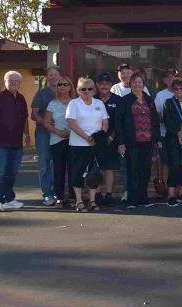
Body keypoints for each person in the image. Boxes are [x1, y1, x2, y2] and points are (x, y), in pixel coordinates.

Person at [0, 71, 31, 213]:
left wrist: (27, 135)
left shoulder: (21, 98)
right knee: (0, 172)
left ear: (20, 83)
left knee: (12, 173)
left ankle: (9, 200)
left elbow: (25, 119)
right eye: (11, 80)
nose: (14, 82)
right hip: (0, 143)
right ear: (5, 81)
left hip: (16, 143)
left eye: (16, 80)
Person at [115, 72, 162, 209]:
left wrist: (158, 139)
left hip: (148, 141)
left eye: (140, 82)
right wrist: (121, 143)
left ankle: (143, 198)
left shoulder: (149, 100)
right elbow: (119, 123)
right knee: (133, 170)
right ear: (131, 84)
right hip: (132, 142)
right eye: (135, 82)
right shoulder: (125, 101)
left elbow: (155, 122)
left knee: (145, 170)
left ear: (143, 84)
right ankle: (133, 199)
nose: (137, 85)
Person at [66, 77, 109, 212]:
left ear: (93, 90)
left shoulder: (99, 103)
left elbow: (105, 122)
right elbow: (72, 123)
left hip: (95, 145)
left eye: (89, 88)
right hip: (79, 144)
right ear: (78, 90)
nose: (86, 91)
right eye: (83, 89)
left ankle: (92, 200)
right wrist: (87, 137)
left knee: (94, 174)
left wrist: (100, 136)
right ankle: (79, 201)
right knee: (78, 172)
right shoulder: (74, 103)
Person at [154, 69, 182, 195]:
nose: (170, 78)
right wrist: (177, 133)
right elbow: (161, 117)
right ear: (165, 81)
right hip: (168, 135)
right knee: (168, 163)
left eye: (173, 76)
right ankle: (167, 190)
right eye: (168, 77)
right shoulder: (162, 97)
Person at [31, 65, 60, 206]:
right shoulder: (41, 94)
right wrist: (47, 124)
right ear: (47, 77)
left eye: (55, 74)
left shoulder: (65, 92)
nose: (53, 77)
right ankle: (48, 194)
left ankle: (58, 192)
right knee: (44, 163)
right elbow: (34, 114)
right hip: (44, 134)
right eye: (50, 75)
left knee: (58, 164)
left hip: (61, 134)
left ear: (59, 76)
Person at [44, 75, 74, 208]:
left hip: (74, 140)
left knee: (74, 170)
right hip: (57, 140)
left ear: (70, 87)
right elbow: (46, 122)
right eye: (60, 84)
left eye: (65, 84)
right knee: (58, 170)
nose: (62, 86)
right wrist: (59, 132)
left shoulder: (76, 102)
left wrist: (71, 133)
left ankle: (74, 198)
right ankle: (60, 198)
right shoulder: (52, 103)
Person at [96, 73, 122, 205]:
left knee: (111, 168)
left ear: (111, 85)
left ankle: (109, 194)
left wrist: (112, 136)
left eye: (107, 83)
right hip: (95, 140)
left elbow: (121, 122)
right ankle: (98, 193)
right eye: (101, 83)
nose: (104, 86)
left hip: (113, 139)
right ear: (97, 85)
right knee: (98, 168)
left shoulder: (118, 100)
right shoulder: (92, 99)